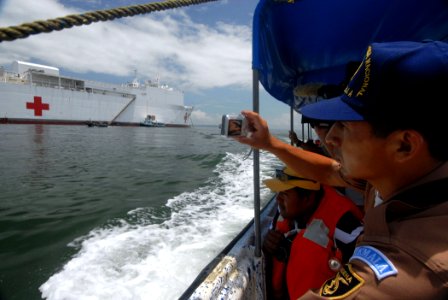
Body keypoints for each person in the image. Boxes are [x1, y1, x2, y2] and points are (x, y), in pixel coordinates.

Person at [293, 40, 448, 298]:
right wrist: (267, 142)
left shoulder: (401, 271)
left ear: (404, 146)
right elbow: (330, 172)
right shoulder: (403, 177)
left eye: (345, 124)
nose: (330, 138)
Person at [263, 165, 364, 299]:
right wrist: (268, 246)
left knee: (308, 246)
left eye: (285, 194)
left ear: (307, 198)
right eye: (279, 192)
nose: (278, 199)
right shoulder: (285, 211)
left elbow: (364, 270)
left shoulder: (344, 223)